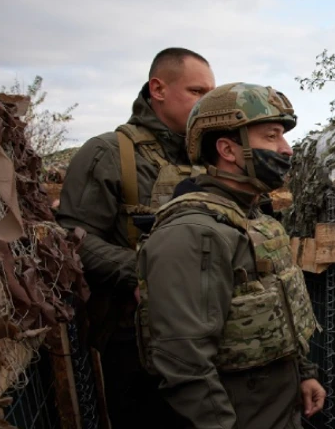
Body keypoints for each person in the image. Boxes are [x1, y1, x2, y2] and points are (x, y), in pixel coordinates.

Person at [134, 82, 326, 428]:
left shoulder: (255, 219)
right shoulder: (194, 233)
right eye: (271, 137)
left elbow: (277, 309)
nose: (286, 150)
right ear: (227, 149)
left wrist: (303, 374)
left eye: (283, 137)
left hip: (280, 406)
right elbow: (184, 362)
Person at [55, 47, 216, 428]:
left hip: (204, 333)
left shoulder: (206, 158)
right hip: (135, 340)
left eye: (211, 93)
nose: (206, 102)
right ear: (158, 89)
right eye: (197, 91)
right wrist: (145, 274)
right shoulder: (109, 152)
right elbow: (72, 236)